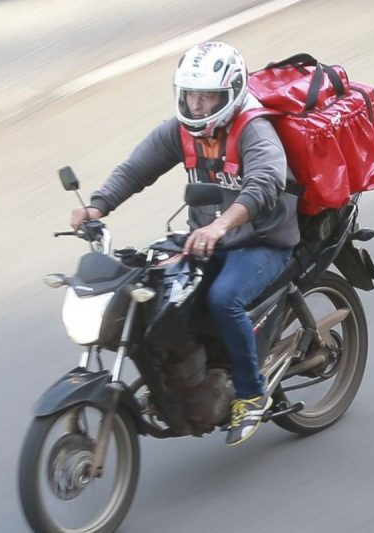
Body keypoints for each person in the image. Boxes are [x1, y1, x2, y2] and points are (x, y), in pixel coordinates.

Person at [70, 41, 300, 446]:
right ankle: (182, 375)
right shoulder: (181, 131)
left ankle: (250, 393)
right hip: (204, 237)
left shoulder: (254, 130)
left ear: (229, 94)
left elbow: (265, 183)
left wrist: (222, 226)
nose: (197, 105)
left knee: (223, 298)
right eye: (191, 95)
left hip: (262, 240)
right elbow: (137, 168)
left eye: (207, 95)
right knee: (154, 288)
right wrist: (97, 207)